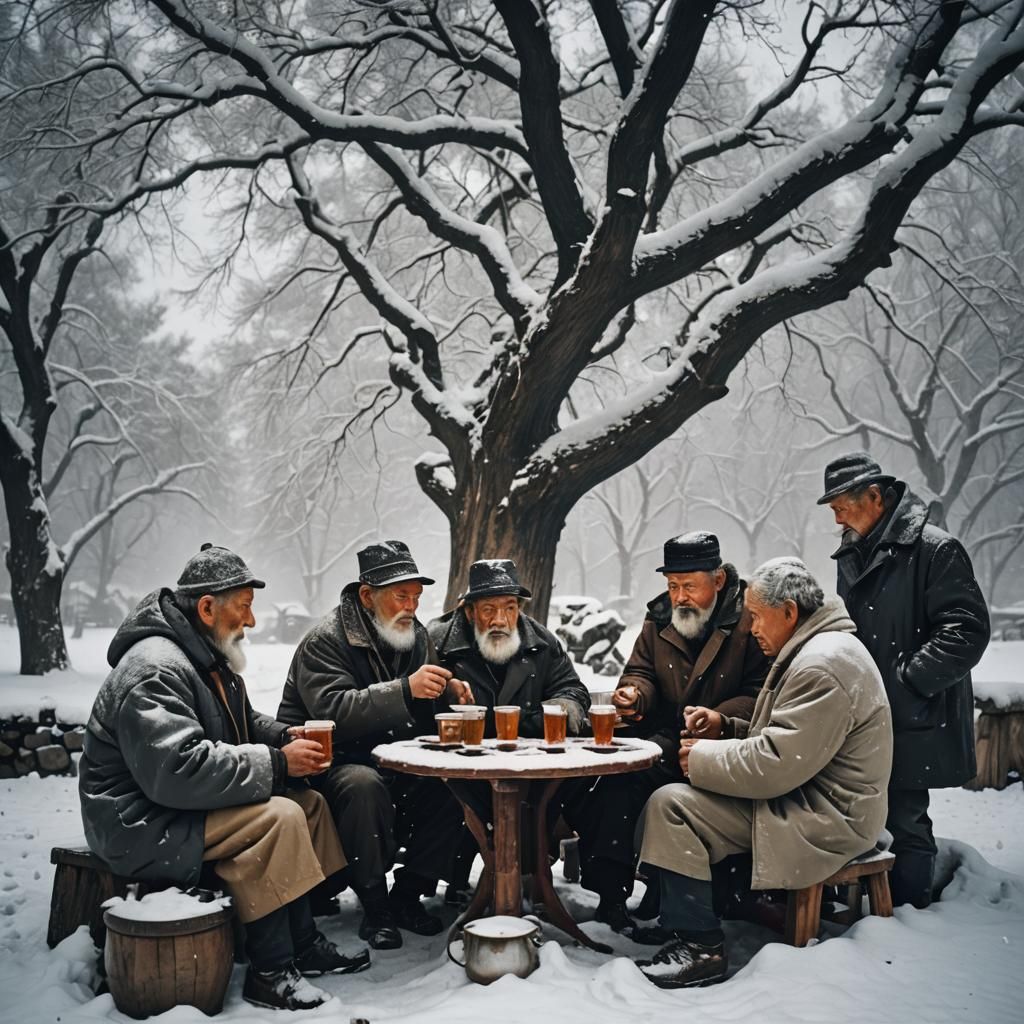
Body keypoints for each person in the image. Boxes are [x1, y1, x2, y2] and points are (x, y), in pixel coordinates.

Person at [79, 545, 368, 1012]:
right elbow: (175, 771)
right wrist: (277, 763)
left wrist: (284, 736)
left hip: (172, 807)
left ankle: (302, 940)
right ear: (208, 607)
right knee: (277, 816)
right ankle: (270, 972)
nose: (251, 622)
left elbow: (240, 722)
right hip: (135, 821)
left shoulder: (206, 655)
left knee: (308, 803)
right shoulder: (155, 669)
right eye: (245, 607)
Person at [634, 558, 892, 988]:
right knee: (676, 797)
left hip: (827, 816)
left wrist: (700, 760)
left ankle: (700, 946)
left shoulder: (821, 665)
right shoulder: (819, 649)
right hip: (813, 798)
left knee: (672, 804)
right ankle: (688, 917)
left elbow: (775, 766)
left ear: (789, 612)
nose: (751, 628)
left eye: (756, 616)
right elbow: (792, 740)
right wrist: (726, 728)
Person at [565, 531, 768, 937]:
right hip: (668, 737)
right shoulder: (659, 617)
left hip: (729, 746)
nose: (679, 597)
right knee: (611, 787)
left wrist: (719, 717)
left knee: (656, 793)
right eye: (673, 586)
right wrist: (635, 694)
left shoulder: (750, 620)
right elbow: (640, 670)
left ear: (719, 580)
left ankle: (675, 893)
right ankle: (611, 897)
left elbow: (761, 691)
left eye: (689, 586)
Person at [818, 451, 991, 908]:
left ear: (874, 496)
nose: (836, 519)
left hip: (913, 710)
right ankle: (873, 907)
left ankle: (911, 915)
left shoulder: (936, 549)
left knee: (907, 816)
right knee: (864, 810)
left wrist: (906, 681)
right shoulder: (853, 551)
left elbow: (966, 630)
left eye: (840, 507)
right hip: (865, 710)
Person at [277, 540, 468, 949]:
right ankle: (375, 905)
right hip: (327, 763)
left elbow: (424, 701)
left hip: (395, 757)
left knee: (451, 784)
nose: (412, 607)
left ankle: (407, 895)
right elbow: (331, 710)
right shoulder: (326, 639)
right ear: (367, 596)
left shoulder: (416, 637)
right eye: (401, 595)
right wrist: (404, 689)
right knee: (364, 787)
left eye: (417, 597)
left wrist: (449, 692)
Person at [429, 558, 591, 736]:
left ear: (519, 608)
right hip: (465, 755)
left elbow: (572, 688)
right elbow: (417, 711)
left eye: (509, 608)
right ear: (470, 612)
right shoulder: (438, 645)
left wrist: (563, 705)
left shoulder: (542, 642)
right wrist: (445, 696)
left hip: (528, 756)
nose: (500, 620)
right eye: (488, 609)